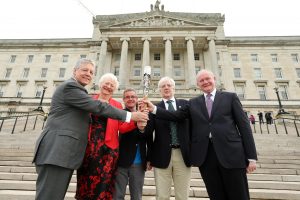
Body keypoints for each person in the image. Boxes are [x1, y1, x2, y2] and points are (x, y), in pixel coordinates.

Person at [33, 59, 148, 200]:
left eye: (91, 72)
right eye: (84, 70)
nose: (88, 74)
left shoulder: (112, 104)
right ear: (75, 71)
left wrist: (136, 122)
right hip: (68, 151)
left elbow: (121, 126)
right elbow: (99, 107)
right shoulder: (76, 90)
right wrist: (131, 115)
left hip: (90, 152)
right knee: (55, 194)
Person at [143, 69, 257, 200]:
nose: (205, 82)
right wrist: (154, 109)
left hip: (231, 155)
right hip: (206, 157)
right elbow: (176, 116)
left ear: (214, 79)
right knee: (216, 194)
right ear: (197, 84)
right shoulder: (193, 103)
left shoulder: (230, 97)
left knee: (239, 195)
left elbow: (244, 127)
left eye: (207, 79)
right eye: (201, 80)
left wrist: (251, 157)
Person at [75, 74, 147, 199]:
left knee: (105, 184)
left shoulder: (117, 105)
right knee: (86, 180)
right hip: (89, 148)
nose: (108, 87)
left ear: (114, 89)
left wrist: (136, 120)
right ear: (100, 84)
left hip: (109, 151)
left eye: (112, 85)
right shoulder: (89, 99)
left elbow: (122, 128)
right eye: (106, 83)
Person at [145, 77, 192, 200]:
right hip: (161, 155)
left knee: (183, 196)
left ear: (174, 88)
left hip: (183, 155)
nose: (166, 87)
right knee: (162, 196)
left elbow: (192, 128)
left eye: (169, 85)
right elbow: (149, 134)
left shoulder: (186, 104)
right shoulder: (153, 108)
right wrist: (149, 157)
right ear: (159, 90)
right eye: (163, 86)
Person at [113, 88, 152, 200]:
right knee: (117, 195)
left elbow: (149, 137)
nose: (130, 99)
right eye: (127, 97)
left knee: (137, 196)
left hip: (139, 163)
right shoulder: (119, 114)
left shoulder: (145, 113)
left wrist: (150, 158)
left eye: (133, 97)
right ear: (123, 100)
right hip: (121, 161)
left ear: (137, 99)